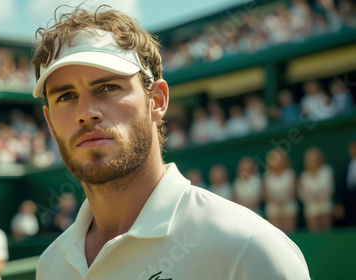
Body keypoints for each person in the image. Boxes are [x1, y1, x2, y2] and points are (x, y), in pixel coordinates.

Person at [31, 5, 310, 279]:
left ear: (157, 100)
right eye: (66, 96)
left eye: (109, 87)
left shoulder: (250, 248)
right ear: (50, 122)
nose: (86, 113)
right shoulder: (51, 264)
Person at [298, 147, 334, 232]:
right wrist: (311, 198)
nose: (313, 161)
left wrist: (319, 197)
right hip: (311, 210)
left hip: (325, 208)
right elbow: (302, 193)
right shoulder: (304, 176)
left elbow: (329, 188)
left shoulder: (327, 171)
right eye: (310, 159)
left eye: (315, 158)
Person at [264, 148, 298, 233]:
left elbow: (293, 192)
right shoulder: (267, 176)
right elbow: (265, 194)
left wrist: (283, 201)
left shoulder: (290, 174)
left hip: (288, 207)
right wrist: (275, 201)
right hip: (273, 209)